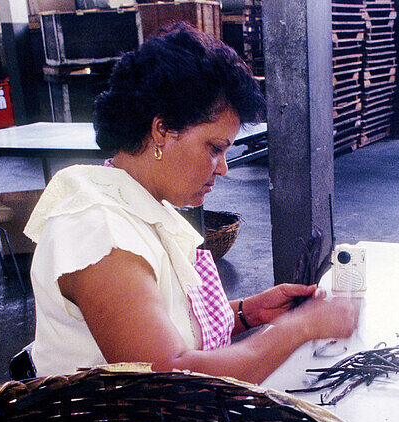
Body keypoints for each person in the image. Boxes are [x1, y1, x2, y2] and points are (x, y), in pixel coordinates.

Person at [24, 24, 358, 384]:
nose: (224, 169)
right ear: (161, 132)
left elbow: (162, 323)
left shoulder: (141, 205)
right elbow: (170, 377)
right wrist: (300, 327)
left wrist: (248, 313)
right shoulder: (99, 231)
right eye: (215, 149)